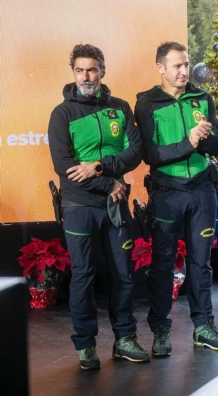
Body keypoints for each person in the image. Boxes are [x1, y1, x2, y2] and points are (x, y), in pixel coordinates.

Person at [47, 44, 146, 369]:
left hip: (115, 205)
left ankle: (125, 339)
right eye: (80, 70)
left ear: (102, 71)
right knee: (84, 276)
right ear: (73, 73)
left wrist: (100, 167)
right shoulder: (62, 113)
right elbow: (65, 166)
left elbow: (135, 151)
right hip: (80, 206)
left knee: (124, 276)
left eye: (91, 70)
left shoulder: (120, 107)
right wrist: (108, 183)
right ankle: (86, 345)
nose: (86, 76)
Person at [134, 42, 218, 356]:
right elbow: (151, 154)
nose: (184, 71)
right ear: (160, 68)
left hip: (202, 191)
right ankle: (160, 329)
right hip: (167, 193)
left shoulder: (202, 98)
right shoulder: (147, 103)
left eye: (186, 64)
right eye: (177, 66)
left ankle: (203, 326)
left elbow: (216, 146)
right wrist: (189, 142)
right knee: (163, 264)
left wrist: (205, 138)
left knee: (201, 263)